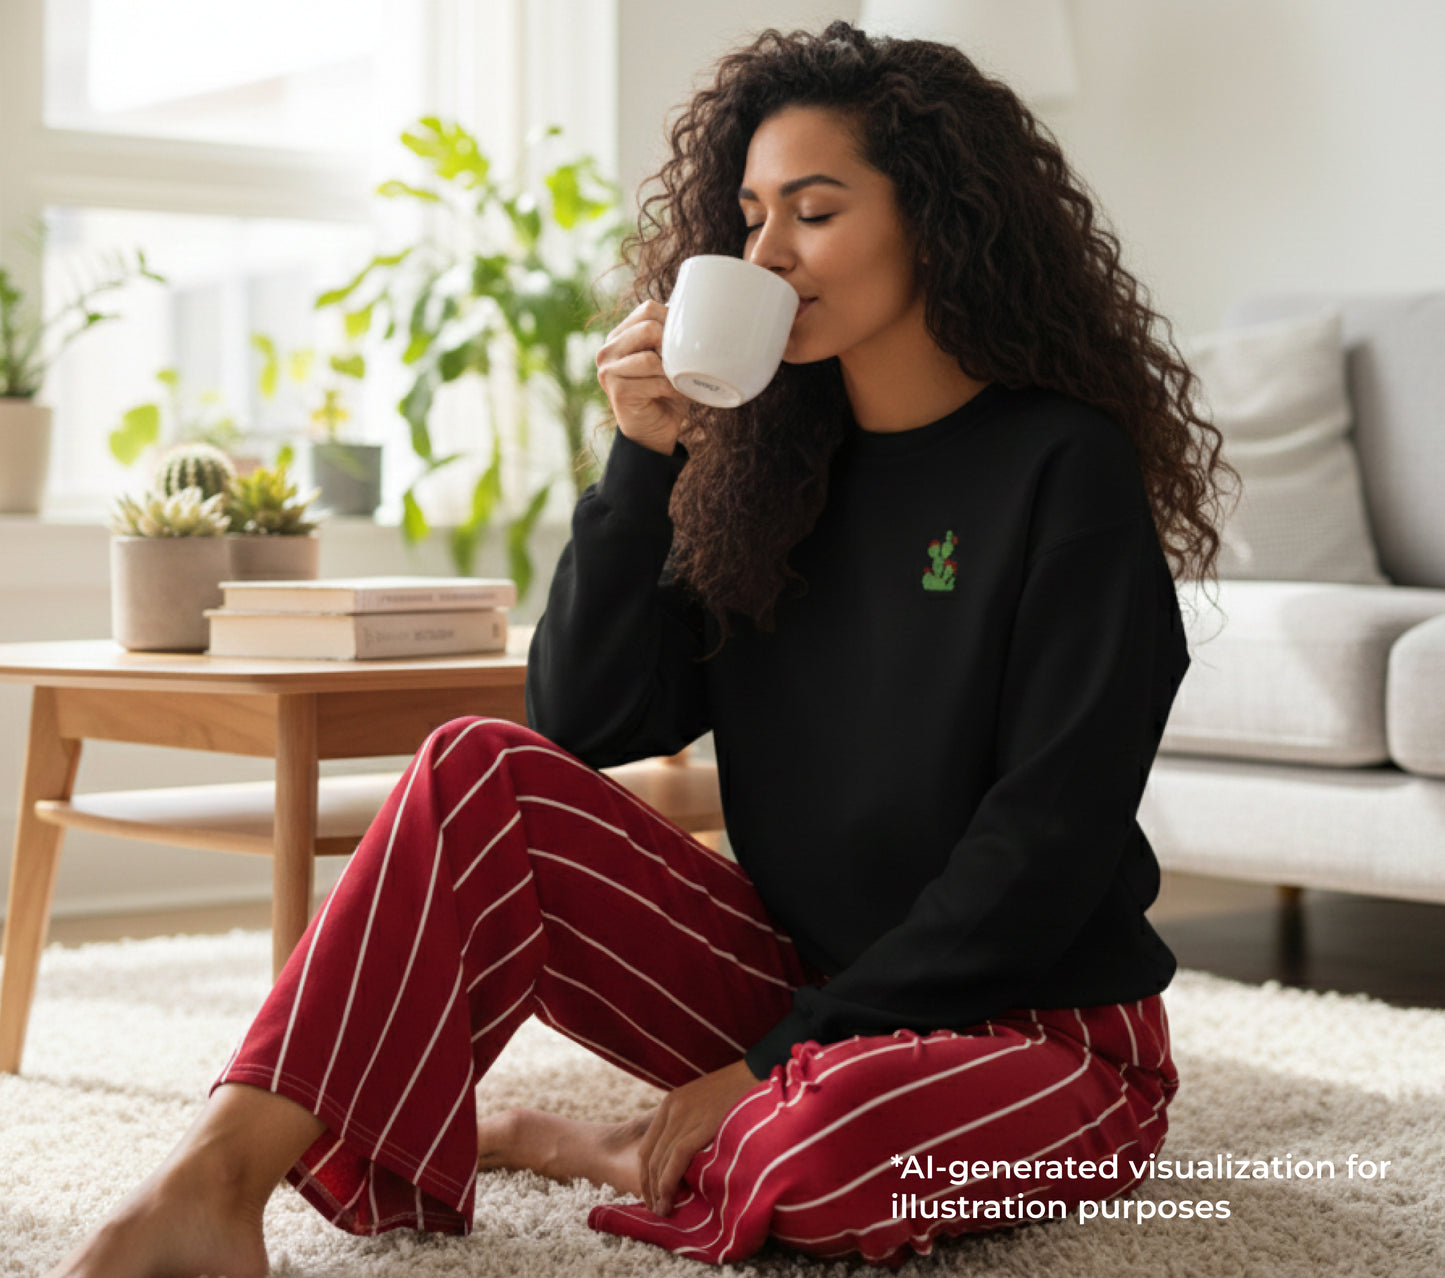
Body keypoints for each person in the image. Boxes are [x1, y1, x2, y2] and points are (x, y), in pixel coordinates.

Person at [44, 20, 1238, 1277]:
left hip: (1041, 1030)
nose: (764, 253)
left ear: (936, 221)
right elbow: (576, 722)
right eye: (749, 214)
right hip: (803, 985)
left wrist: (774, 1064)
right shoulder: (768, 468)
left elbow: (1044, 844)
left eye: (812, 213)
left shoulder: (1062, 467)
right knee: (472, 769)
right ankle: (210, 1183)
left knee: (811, 1154)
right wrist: (640, 458)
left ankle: (605, 1151)